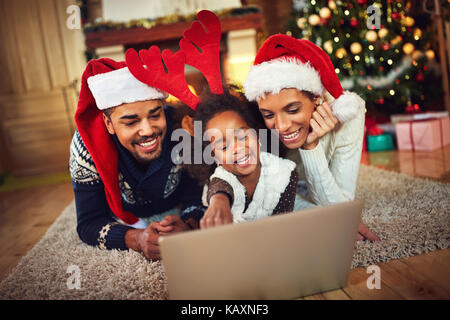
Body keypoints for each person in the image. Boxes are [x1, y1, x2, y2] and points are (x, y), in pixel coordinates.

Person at [206, 34, 380, 242]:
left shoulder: (349, 113)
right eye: (269, 114)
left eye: (293, 109)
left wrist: (311, 147)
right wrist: (321, 220)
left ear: (316, 97)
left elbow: (341, 208)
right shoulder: (254, 130)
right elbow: (267, 196)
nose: (281, 126)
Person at [69, 58, 205, 261]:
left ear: (163, 106)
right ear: (108, 123)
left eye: (155, 115)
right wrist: (137, 238)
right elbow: (89, 222)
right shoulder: (86, 147)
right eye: (131, 122)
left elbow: (200, 191)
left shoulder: (182, 126)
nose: (148, 130)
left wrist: (189, 223)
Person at [183, 88, 298, 227]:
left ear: (256, 134)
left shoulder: (285, 172)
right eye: (224, 147)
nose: (237, 148)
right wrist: (219, 202)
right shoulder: (222, 177)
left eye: (243, 137)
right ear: (214, 157)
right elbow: (220, 188)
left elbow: (283, 226)